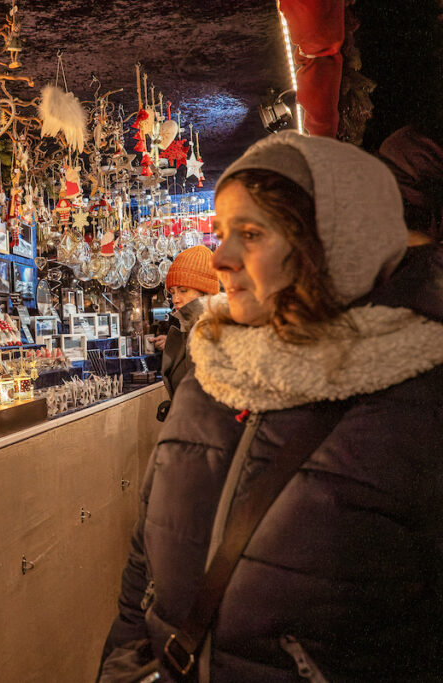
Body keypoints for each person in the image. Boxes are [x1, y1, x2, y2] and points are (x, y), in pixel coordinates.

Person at [98, 131, 443, 681]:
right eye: (221, 233)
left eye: (251, 234)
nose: (221, 258)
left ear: (329, 246)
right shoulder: (205, 381)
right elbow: (143, 574)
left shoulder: (414, 404)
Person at [154, 245, 219, 421]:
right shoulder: (187, 330)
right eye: (172, 292)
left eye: (183, 290)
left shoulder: (210, 332)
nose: (175, 298)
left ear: (205, 291)